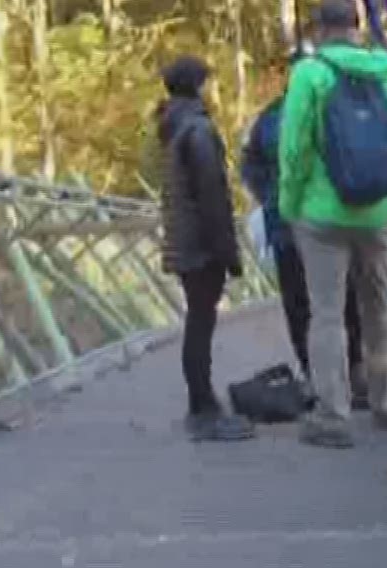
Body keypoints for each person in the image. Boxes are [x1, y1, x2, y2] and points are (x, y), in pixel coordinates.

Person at [277, 0, 387, 448]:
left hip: (321, 214)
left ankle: (334, 415)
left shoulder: (310, 74)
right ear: (358, 29)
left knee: (327, 313)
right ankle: (385, 399)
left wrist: (290, 204)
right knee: (378, 305)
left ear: (319, 30)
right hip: (377, 210)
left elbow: (295, 148)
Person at [239, 45, 369, 410]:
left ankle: (321, 379)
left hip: (290, 226)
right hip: (329, 226)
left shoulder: (270, 117)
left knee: (304, 306)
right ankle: (350, 377)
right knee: (341, 303)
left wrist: (271, 196)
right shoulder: (336, 112)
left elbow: (249, 165)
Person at [156, 54, 252, 442]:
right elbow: (213, 197)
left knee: (199, 320)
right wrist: (228, 253)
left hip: (184, 241)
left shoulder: (173, 126)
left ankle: (203, 403)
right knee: (200, 322)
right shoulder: (197, 130)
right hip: (200, 245)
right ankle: (204, 408)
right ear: (198, 85)